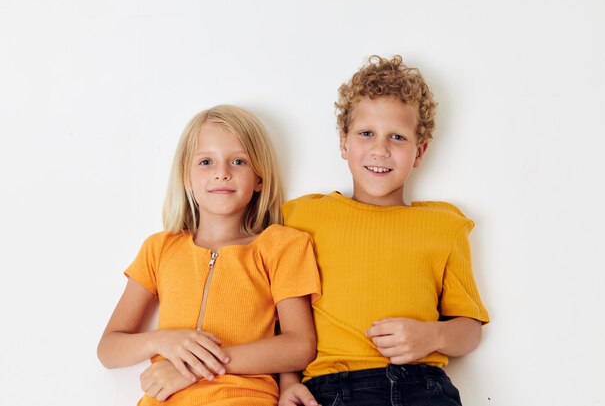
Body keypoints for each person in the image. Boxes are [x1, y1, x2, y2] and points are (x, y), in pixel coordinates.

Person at [278, 56, 490, 406]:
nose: (381, 149)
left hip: (423, 387)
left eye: (397, 137)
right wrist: (287, 383)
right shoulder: (302, 216)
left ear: (419, 152)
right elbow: (280, 319)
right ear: (344, 143)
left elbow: (469, 330)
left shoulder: (445, 225)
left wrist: (432, 334)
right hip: (331, 390)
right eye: (366, 134)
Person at [98, 105, 321, 406]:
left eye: (239, 161)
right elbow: (109, 349)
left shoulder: (282, 245)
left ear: (259, 178)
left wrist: (194, 367)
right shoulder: (160, 248)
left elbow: (299, 346)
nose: (222, 173)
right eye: (206, 161)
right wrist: (162, 340)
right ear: (186, 177)